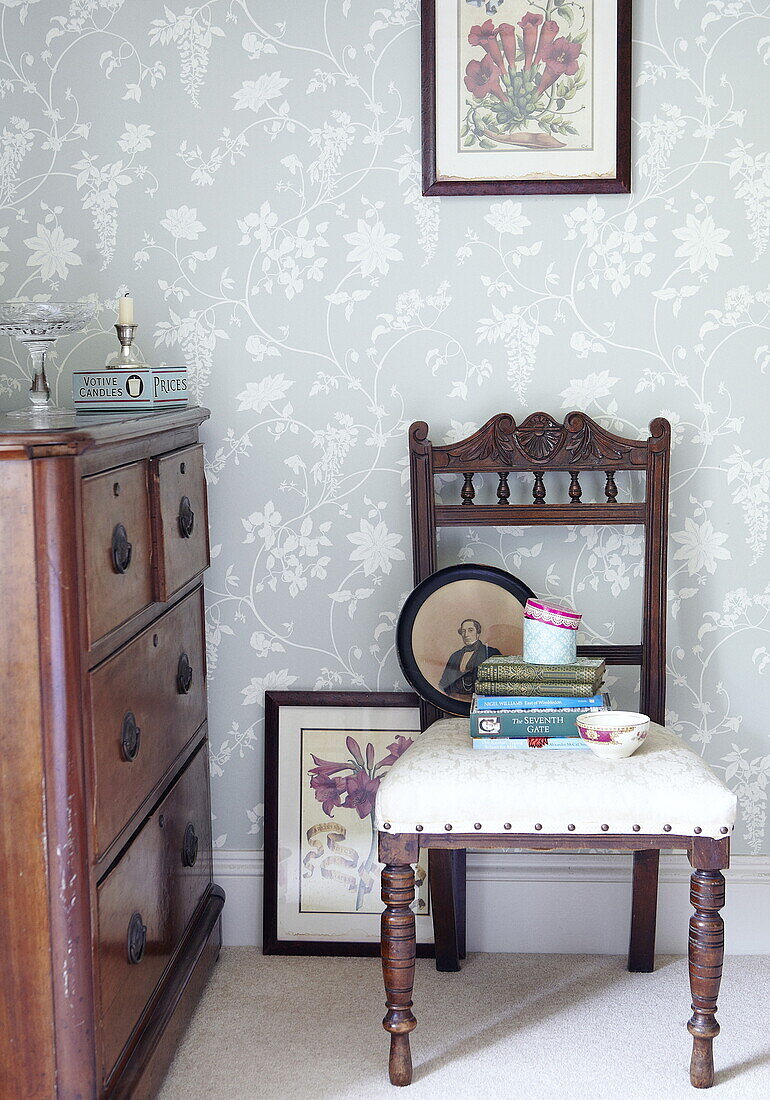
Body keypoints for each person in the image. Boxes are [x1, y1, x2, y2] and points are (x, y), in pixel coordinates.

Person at [439, 619, 501, 699]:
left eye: (470, 630)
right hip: (455, 701)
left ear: (478, 633)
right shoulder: (455, 656)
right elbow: (444, 683)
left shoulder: (491, 653)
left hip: (482, 701)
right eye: (463, 631)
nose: (466, 635)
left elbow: (499, 684)